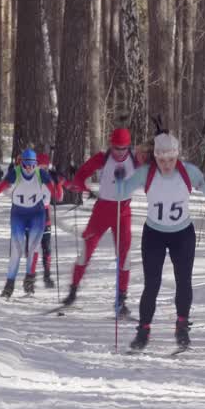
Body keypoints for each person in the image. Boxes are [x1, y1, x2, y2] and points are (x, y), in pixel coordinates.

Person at [104, 132, 205, 351]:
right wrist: (119, 180)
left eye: (171, 159)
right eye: (162, 159)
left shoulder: (188, 172)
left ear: (177, 156)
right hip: (154, 235)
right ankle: (144, 330)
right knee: (152, 284)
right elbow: (120, 194)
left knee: (183, 281)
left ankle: (182, 326)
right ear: (155, 157)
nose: (167, 164)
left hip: (183, 234)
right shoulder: (146, 173)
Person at [60, 127, 146, 316]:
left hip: (123, 210)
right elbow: (82, 174)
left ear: (128, 147)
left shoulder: (135, 159)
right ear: (110, 145)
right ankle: (73, 291)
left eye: (123, 149)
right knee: (87, 249)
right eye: (116, 148)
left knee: (124, 256)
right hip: (102, 210)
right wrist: (81, 185)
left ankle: (121, 301)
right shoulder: (103, 158)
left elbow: (157, 163)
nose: (119, 153)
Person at [0, 148, 62, 298]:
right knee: (16, 250)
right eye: (26, 165)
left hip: (37, 214)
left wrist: (57, 183)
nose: (29, 168)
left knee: (33, 248)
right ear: (21, 163)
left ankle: (29, 280)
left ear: (35, 164)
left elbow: (58, 196)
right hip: (18, 214)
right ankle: (9, 285)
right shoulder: (15, 173)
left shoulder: (40, 174)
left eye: (32, 164)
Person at [26, 152, 57, 291]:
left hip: (45, 216)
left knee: (47, 248)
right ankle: (30, 279)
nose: (43, 171)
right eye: (40, 168)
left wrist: (60, 180)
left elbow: (60, 192)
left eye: (46, 168)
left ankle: (47, 275)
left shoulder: (49, 179)